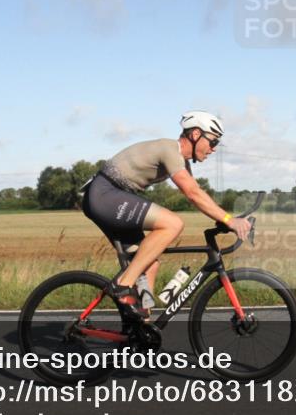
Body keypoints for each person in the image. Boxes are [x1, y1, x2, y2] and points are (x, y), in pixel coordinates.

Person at [81, 111, 251, 321]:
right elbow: (192, 193)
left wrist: (221, 219)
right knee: (172, 224)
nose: (213, 148)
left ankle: (140, 327)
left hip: (110, 197)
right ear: (196, 134)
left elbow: (197, 194)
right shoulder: (170, 150)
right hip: (105, 195)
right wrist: (229, 220)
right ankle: (123, 285)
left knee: (148, 265)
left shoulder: (181, 161)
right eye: (213, 141)